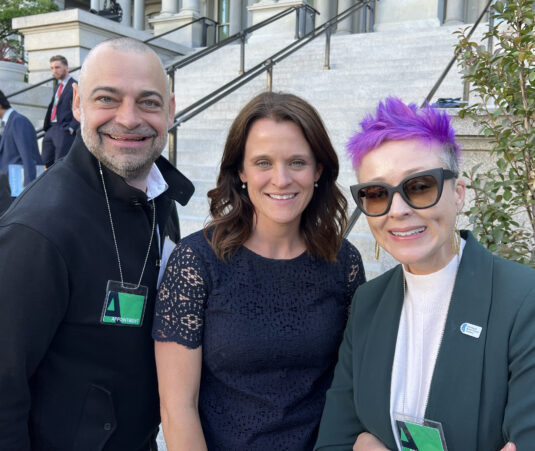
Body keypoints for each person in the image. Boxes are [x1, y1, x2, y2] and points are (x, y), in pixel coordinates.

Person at [0, 37, 194, 450]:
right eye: (108, 98)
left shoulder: (159, 197)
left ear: (171, 110)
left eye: (149, 102)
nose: (128, 119)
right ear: (77, 104)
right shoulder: (37, 231)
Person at [314, 97, 535, 450]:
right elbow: (333, 443)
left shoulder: (523, 300)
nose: (397, 210)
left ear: (458, 194)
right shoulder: (368, 303)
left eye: (420, 186)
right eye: (376, 193)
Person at [153, 91, 366, 450]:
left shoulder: (343, 262)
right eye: (263, 163)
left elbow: (354, 386)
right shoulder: (196, 262)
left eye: (297, 162)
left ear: (318, 170)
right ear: (241, 171)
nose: (281, 179)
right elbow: (177, 408)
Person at [42, 55, 80, 167]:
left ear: (66, 68)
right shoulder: (57, 87)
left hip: (64, 129)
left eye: (57, 67)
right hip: (51, 128)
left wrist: (72, 127)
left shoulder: (75, 85)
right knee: (46, 162)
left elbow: (81, 107)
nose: (54, 71)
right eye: (52, 68)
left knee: (60, 164)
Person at [0, 90, 42, 188]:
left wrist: (29, 187)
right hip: (9, 184)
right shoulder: (5, 123)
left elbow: (28, 157)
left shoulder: (18, 121)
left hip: (18, 185)